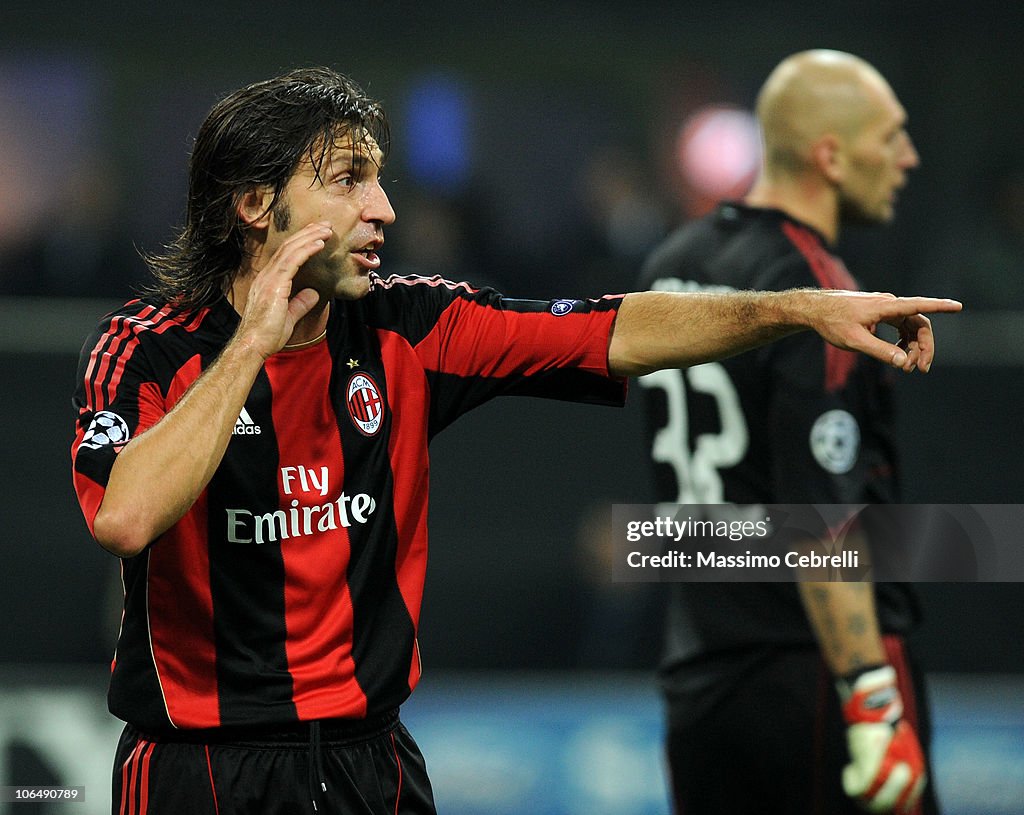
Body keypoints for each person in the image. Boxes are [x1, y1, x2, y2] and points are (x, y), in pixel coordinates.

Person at [70, 66, 958, 815]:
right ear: (256, 203)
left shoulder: (410, 327)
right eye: (346, 179)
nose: (381, 207)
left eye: (379, 177)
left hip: (370, 762)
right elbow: (126, 515)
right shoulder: (145, 348)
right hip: (197, 769)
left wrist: (802, 310)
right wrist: (254, 345)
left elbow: (616, 329)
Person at [639, 50, 940, 814]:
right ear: (831, 155)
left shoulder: (672, 264)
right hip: (814, 678)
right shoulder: (823, 293)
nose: (908, 158)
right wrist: (872, 696)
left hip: (702, 680)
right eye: (891, 137)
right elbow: (821, 518)